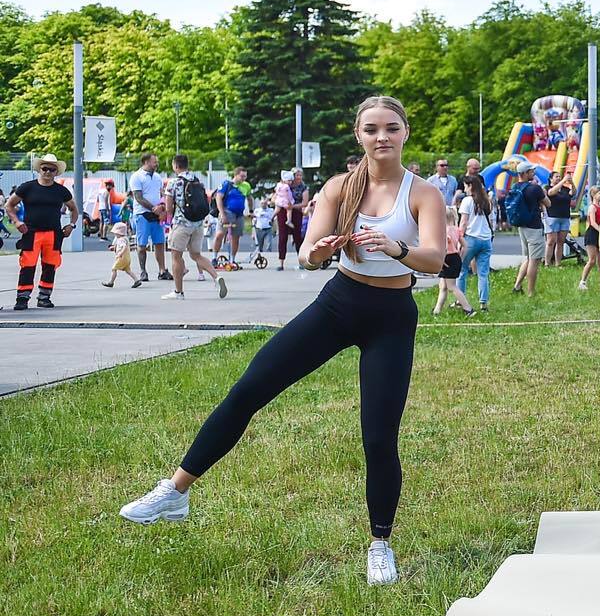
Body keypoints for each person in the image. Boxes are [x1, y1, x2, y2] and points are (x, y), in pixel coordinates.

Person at [120, 95, 446, 586]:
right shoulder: (340, 187)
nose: (382, 137)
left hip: (392, 316)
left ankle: (380, 544)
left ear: (405, 133)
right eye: (372, 129)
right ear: (357, 135)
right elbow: (308, 257)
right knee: (249, 390)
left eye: (392, 128)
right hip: (339, 304)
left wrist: (397, 248)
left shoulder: (423, 194)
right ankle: (175, 492)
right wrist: (320, 250)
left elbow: (436, 260)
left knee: (379, 437)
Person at [7, 153, 80, 309]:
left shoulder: (61, 191)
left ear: (56, 172)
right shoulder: (27, 187)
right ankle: (22, 298)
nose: (47, 172)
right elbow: (9, 205)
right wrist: (17, 221)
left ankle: (44, 297)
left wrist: (72, 225)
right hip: (31, 232)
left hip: (53, 233)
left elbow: (74, 209)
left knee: (50, 265)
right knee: (27, 265)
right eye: (45, 168)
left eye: (51, 170)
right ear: (39, 169)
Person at [160, 153, 228, 302]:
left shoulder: (173, 183)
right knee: (196, 255)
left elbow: (169, 208)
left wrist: (167, 217)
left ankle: (178, 292)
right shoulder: (197, 180)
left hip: (181, 224)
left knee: (176, 257)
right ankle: (217, 277)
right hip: (197, 224)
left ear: (175, 165)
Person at [128, 152, 170, 281]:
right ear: (146, 162)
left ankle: (162, 270)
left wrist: (162, 206)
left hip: (157, 214)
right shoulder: (136, 177)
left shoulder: (157, 177)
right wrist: (153, 208)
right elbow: (138, 197)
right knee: (142, 244)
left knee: (159, 243)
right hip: (143, 214)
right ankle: (143, 271)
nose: (156, 164)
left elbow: (162, 193)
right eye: (154, 162)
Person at [509, 163, 548, 296]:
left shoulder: (514, 187)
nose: (534, 173)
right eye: (532, 171)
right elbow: (548, 203)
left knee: (527, 257)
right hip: (534, 227)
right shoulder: (535, 188)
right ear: (525, 173)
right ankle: (531, 292)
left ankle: (517, 286)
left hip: (522, 226)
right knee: (534, 261)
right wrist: (542, 193)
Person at [458, 175, 494, 312]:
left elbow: (464, 222)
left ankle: (460, 300)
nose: (465, 189)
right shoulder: (486, 200)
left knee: (462, 270)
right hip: (486, 239)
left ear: (470, 186)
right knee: (483, 273)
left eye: (466, 186)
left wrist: (459, 239)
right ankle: (483, 303)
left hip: (471, 238)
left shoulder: (467, 201)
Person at [434, 207, 474, 316]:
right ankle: (437, 311)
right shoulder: (456, 230)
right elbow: (465, 246)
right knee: (443, 286)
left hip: (446, 258)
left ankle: (468, 308)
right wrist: (460, 257)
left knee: (451, 286)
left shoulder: (443, 231)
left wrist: (441, 259)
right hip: (455, 257)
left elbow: (445, 247)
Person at [212, 166, 253, 264]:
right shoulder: (226, 184)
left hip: (239, 214)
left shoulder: (246, 185)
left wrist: (251, 210)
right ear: (236, 175)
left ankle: (232, 258)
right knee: (220, 234)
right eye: (242, 176)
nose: (243, 179)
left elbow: (249, 198)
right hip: (227, 211)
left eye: (245, 177)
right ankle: (214, 257)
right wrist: (222, 213)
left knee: (236, 237)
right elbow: (218, 198)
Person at [544, 173, 574, 267]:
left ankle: (558, 263)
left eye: (559, 177)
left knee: (561, 241)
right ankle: (547, 263)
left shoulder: (565, 189)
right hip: (552, 217)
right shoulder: (547, 188)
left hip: (564, 217)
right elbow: (551, 193)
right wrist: (562, 182)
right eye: (556, 177)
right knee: (551, 241)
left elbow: (573, 193)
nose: (558, 178)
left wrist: (571, 182)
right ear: (551, 179)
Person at [101, 221, 142, 289]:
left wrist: (120, 253)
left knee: (114, 269)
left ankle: (111, 282)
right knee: (128, 270)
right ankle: (136, 280)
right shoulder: (125, 238)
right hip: (127, 258)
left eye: (115, 233)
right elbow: (123, 246)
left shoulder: (121, 239)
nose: (115, 234)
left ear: (119, 232)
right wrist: (114, 247)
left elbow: (124, 247)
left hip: (122, 257)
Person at [273, 170, 301, 270]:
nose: (297, 177)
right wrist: (279, 202)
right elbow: (274, 197)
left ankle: (301, 261)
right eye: (296, 175)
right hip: (282, 211)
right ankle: (281, 262)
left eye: (299, 175)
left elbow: (305, 202)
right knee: (282, 237)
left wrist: (292, 205)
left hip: (296, 212)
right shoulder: (282, 186)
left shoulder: (302, 187)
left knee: (298, 237)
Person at [578, 185, 600, 291]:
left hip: (599, 234)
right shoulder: (592, 207)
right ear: (593, 195)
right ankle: (582, 281)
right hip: (592, 234)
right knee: (592, 260)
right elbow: (593, 222)